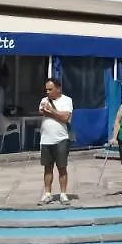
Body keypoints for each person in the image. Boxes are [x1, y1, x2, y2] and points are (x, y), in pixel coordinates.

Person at [37, 77, 73, 205]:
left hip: (61, 139)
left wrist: (52, 111)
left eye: (50, 89)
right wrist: (57, 114)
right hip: (46, 139)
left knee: (62, 167)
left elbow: (65, 117)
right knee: (47, 167)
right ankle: (47, 193)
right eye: (46, 89)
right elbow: (41, 111)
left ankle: (63, 194)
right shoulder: (44, 100)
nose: (47, 92)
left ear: (58, 89)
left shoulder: (67, 100)